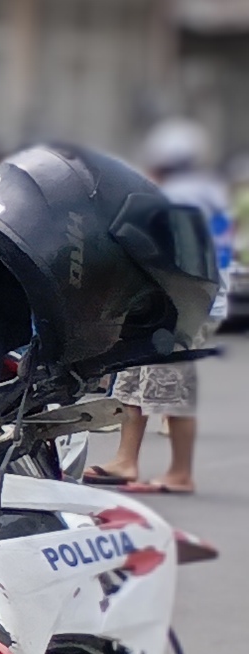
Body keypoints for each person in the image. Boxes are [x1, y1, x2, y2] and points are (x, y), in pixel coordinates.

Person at [100, 117, 233, 492]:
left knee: (172, 384)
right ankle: (126, 461)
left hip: (183, 300)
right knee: (131, 379)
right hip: (173, 297)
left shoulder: (180, 195)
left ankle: (180, 472)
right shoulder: (201, 191)